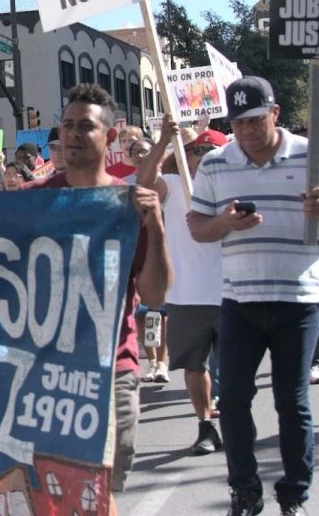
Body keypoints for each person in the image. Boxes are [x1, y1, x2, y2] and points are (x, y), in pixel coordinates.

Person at [187, 76, 319, 516]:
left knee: (290, 400)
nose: (247, 131)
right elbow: (197, 227)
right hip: (239, 300)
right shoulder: (216, 164)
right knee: (234, 400)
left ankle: (294, 494)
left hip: (298, 300)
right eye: (239, 123)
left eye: (256, 121)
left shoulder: (312, 156)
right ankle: (245, 490)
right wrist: (224, 223)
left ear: (275, 113)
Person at [23, 84, 171, 497]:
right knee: (52, 496)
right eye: (66, 125)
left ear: (109, 136)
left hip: (112, 375)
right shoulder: (29, 202)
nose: (71, 134)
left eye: (84, 126)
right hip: (44, 378)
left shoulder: (127, 205)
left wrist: (155, 227)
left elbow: (155, 296)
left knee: (100, 496)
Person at [138, 121, 228, 455]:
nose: (202, 156)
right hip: (187, 295)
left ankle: (235, 422)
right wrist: (164, 141)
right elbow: (144, 180)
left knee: (235, 369)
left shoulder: (236, 186)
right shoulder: (175, 185)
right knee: (194, 365)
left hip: (233, 294)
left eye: (211, 151)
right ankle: (205, 426)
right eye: (196, 151)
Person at [127, 135, 169, 384]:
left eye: (144, 151)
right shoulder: (126, 184)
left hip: (162, 252)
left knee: (160, 311)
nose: (140, 155)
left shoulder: (167, 181)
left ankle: (162, 362)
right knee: (144, 314)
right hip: (136, 253)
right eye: (135, 152)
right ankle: (152, 361)